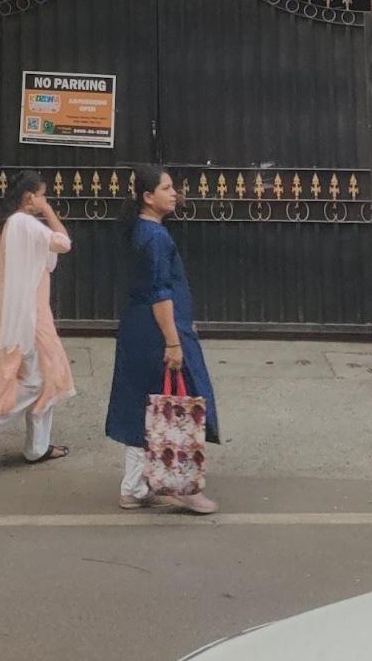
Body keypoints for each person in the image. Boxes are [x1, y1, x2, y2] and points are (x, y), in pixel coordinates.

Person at [104, 165, 219, 514]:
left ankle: (135, 487)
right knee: (176, 405)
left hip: (142, 331)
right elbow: (159, 293)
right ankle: (181, 482)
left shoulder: (146, 231)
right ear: (147, 197)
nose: (174, 193)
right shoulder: (154, 237)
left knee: (147, 405)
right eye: (166, 188)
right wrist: (173, 340)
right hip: (156, 334)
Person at [0, 169, 74, 471]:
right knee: (37, 383)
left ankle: (38, 447)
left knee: (46, 378)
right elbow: (63, 243)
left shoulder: (6, 225)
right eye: (43, 194)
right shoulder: (25, 223)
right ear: (30, 197)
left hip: (24, 314)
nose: (45, 199)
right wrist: (49, 212)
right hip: (32, 317)